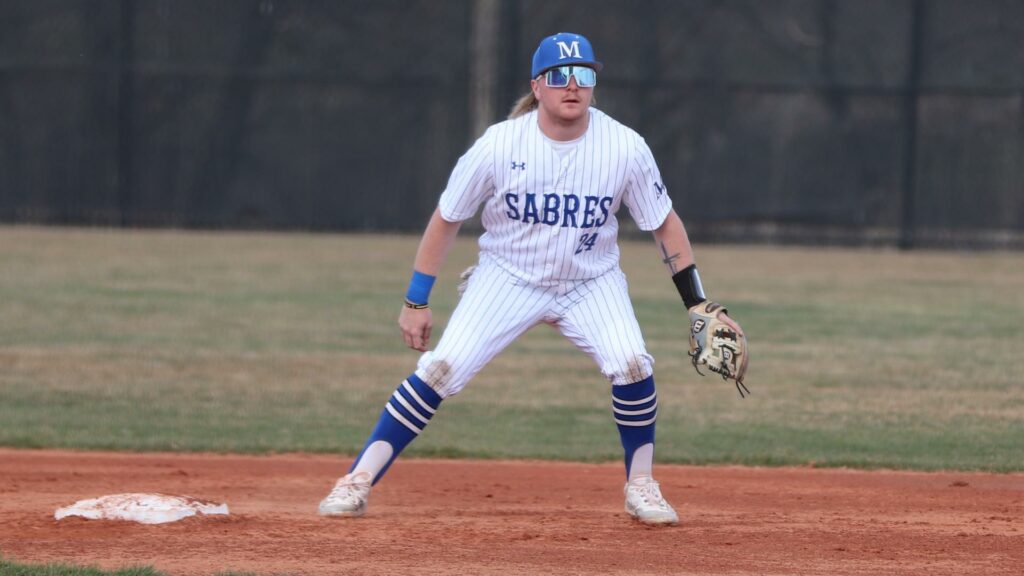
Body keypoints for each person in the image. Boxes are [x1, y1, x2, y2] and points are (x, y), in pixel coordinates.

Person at [318, 32, 746, 526]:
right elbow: (446, 218)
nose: (572, 85)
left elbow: (664, 223)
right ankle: (356, 480)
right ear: (536, 87)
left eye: (583, 75)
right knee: (442, 370)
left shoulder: (624, 147)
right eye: (558, 76)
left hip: (591, 280)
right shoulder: (500, 145)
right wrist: (416, 301)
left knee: (632, 364)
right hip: (508, 276)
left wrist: (697, 302)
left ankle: (642, 484)